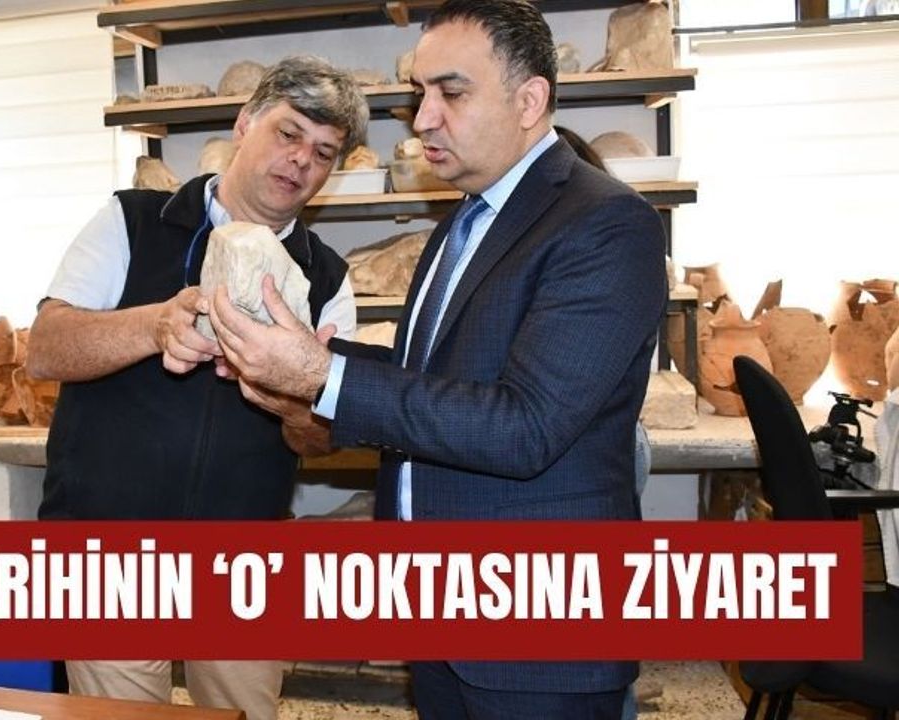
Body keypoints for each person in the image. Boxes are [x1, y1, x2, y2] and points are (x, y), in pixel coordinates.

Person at [206, 2, 666, 718]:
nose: (422, 120)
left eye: (451, 93)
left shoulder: (605, 222)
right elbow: (429, 382)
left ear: (529, 101)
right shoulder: (463, 222)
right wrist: (303, 360)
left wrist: (323, 376)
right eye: (420, 94)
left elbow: (526, 427)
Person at [25, 56, 369, 720]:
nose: (302, 160)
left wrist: (293, 398)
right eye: (288, 133)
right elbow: (45, 348)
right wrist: (153, 326)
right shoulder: (132, 221)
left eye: (324, 152)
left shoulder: (325, 278)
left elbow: (321, 440)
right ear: (245, 123)